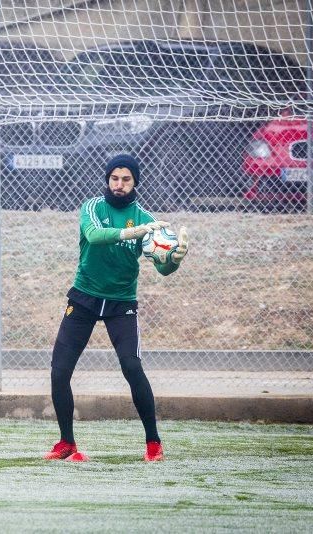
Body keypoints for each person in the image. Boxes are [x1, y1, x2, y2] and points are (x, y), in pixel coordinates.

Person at [43, 154, 189, 463]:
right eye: (114, 178)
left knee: (132, 367)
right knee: (59, 371)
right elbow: (94, 237)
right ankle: (66, 442)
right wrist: (128, 233)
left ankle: (153, 444)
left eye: (126, 179)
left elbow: (162, 268)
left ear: (135, 182)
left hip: (121, 302)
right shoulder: (93, 207)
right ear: (107, 180)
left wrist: (173, 260)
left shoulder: (146, 219)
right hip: (84, 298)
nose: (119, 185)